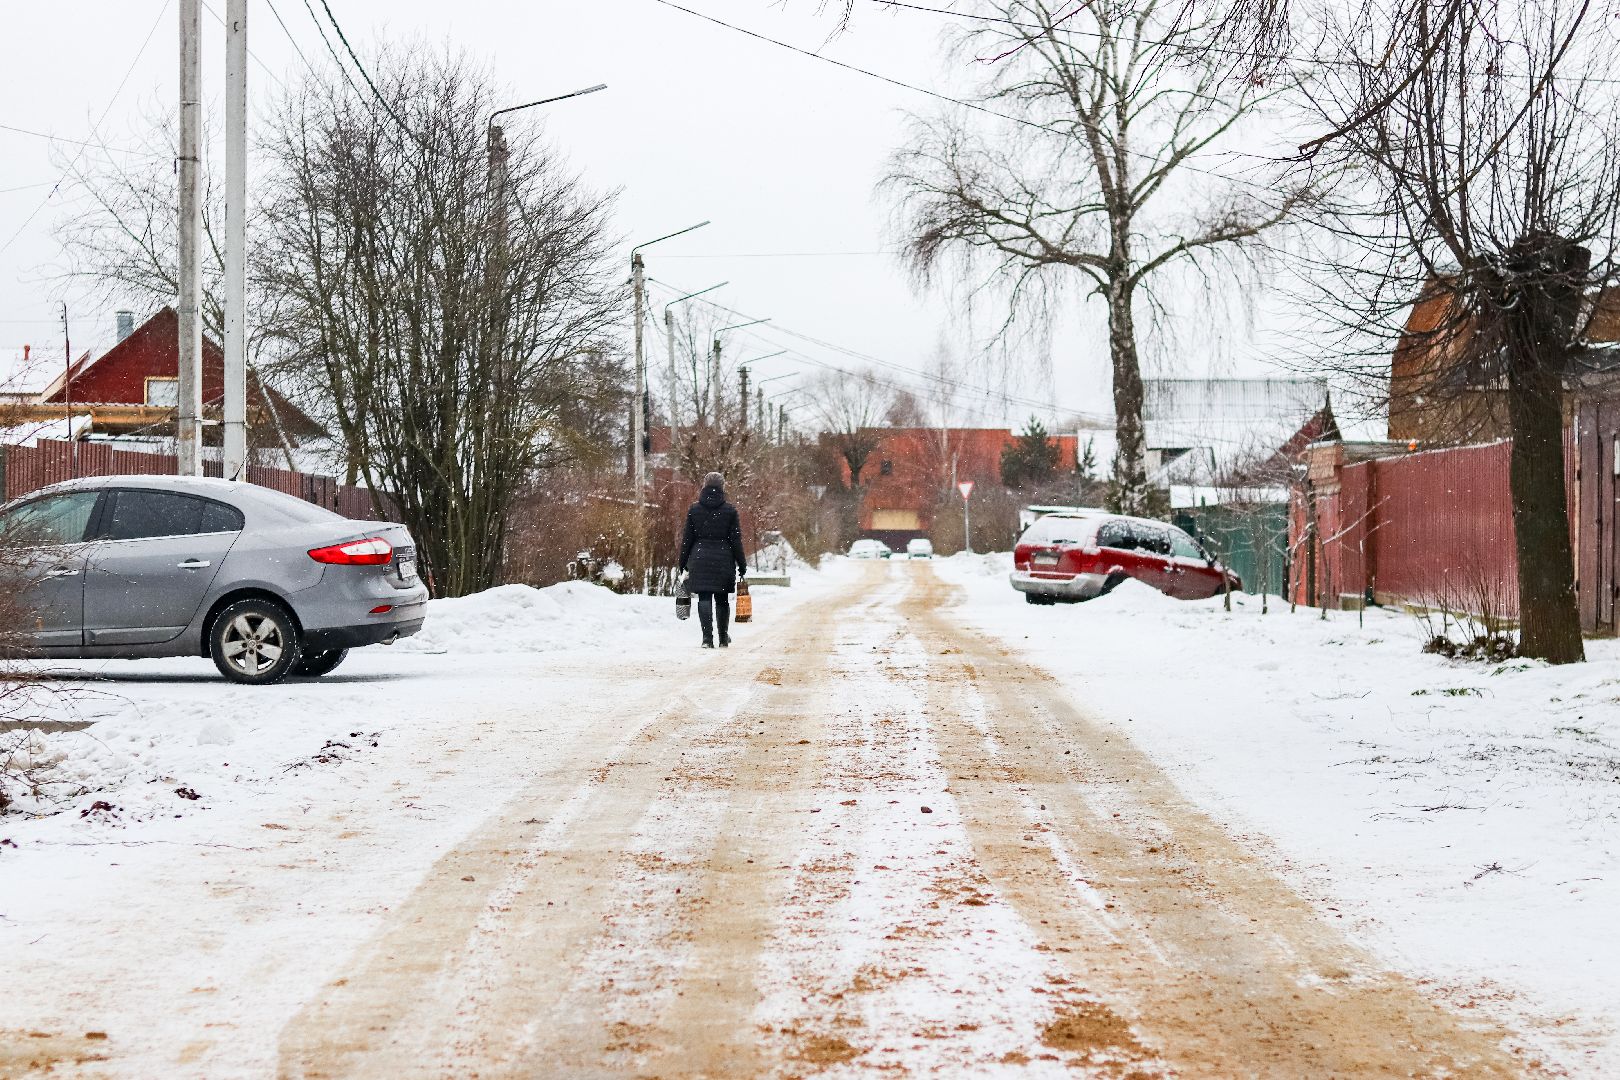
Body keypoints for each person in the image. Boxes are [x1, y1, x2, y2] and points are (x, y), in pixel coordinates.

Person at [679, 472, 747, 648]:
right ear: (722, 487)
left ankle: (707, 639)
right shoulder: (730, 511)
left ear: (704, 486)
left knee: (704, 597)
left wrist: (682, 562)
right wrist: (742, 564)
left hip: (700, 558)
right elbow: (736, 540)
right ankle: (723, 638)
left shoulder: (694, 510)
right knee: (722, 599)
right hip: (723, 559)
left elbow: (687, 539)